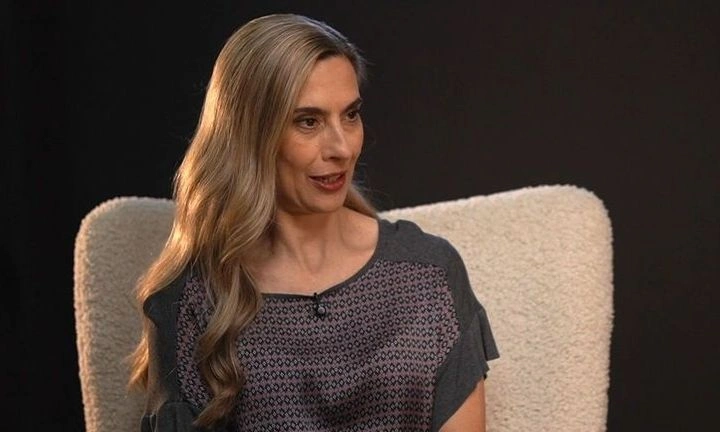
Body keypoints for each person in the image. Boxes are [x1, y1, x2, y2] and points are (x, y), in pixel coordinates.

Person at [129, 13, 499, 432]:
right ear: (249, 135)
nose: (342, 148)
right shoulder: (190, 300)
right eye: (309, 121)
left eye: (351, 115)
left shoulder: (428, 272)